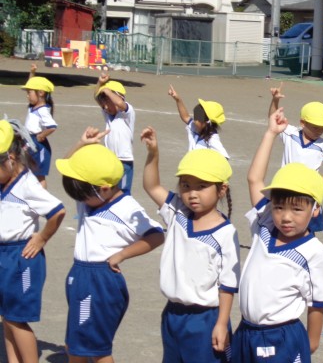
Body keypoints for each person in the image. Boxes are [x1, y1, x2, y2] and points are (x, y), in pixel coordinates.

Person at [232, 107, 323, 363]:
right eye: (279, 207)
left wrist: (311, 342)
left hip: (281, 337)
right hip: (245, 332)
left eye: (297, 209)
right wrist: (271, 133)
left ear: (315, 209)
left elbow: (317, 302)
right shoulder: (265, 223)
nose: (286, 217)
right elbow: (254, 179)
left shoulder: (314, 252)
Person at [56, 127, 164, 363]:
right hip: (80, 275)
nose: (76, 197)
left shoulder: (125, 207)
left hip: (99, 282)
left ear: (104, 189)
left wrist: (122, 254)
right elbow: (66, 167)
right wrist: (82, 144)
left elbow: (156, 235)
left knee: (96, 349)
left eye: (80, 191)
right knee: (74, 345)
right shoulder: (90, 198)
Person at [141, 126, 240, 363]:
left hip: (205, 320)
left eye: (201, 186)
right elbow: (151, 186)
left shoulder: (226, 233)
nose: (192, 194)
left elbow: (228, 285)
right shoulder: (177, 212)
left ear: (221, 189)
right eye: (185, 185)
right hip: (173, 314)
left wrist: (221, 324)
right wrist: (153, 153)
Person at [0, 119, 66, 363]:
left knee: (17, 318)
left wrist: (41, 238)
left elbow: (57, 211)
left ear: (10, 159)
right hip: (4, 254)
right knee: (7, 316)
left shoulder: (27, 185)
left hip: (21, 258)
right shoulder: (4, 181)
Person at [268, 82, 323, 232]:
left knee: (307, 228)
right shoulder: (290, 133)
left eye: (322, 128)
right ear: (302, 122)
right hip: (286, 186)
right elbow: (273, 120)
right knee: (282, 223)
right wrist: (275, 101)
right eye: (315, 127)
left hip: (307, 190)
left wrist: (322, 179)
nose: (319, 131)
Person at [94, 73, 135, 192]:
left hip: (124, 161)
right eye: (104, 105)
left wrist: (107, 91)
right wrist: (100, 83)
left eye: (108, 102)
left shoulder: (127, 113)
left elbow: (120, 104)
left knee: (123, 192)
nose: (105, 107)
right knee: (109, 191)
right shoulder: (108, 115)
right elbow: (97, 98)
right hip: (110, 160)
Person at [167, 85, 229, 158]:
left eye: (197, 119)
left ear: (207, 122)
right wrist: (178, 99)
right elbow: (185, 117)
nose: (194, 121)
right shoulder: (196, 127)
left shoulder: (212, 139)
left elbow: (224, 157)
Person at [22, 64, 57, 188]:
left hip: (38, 145)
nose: (27, 95)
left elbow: (52, 126)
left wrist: (41, 135)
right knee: (26, 170)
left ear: (41, 93)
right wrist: (32, 73)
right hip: (28, 140)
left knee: (39, 175)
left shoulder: (42, 110)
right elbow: (31, 84)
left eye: (29, 93)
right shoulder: (33, 106)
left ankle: (42, 197)